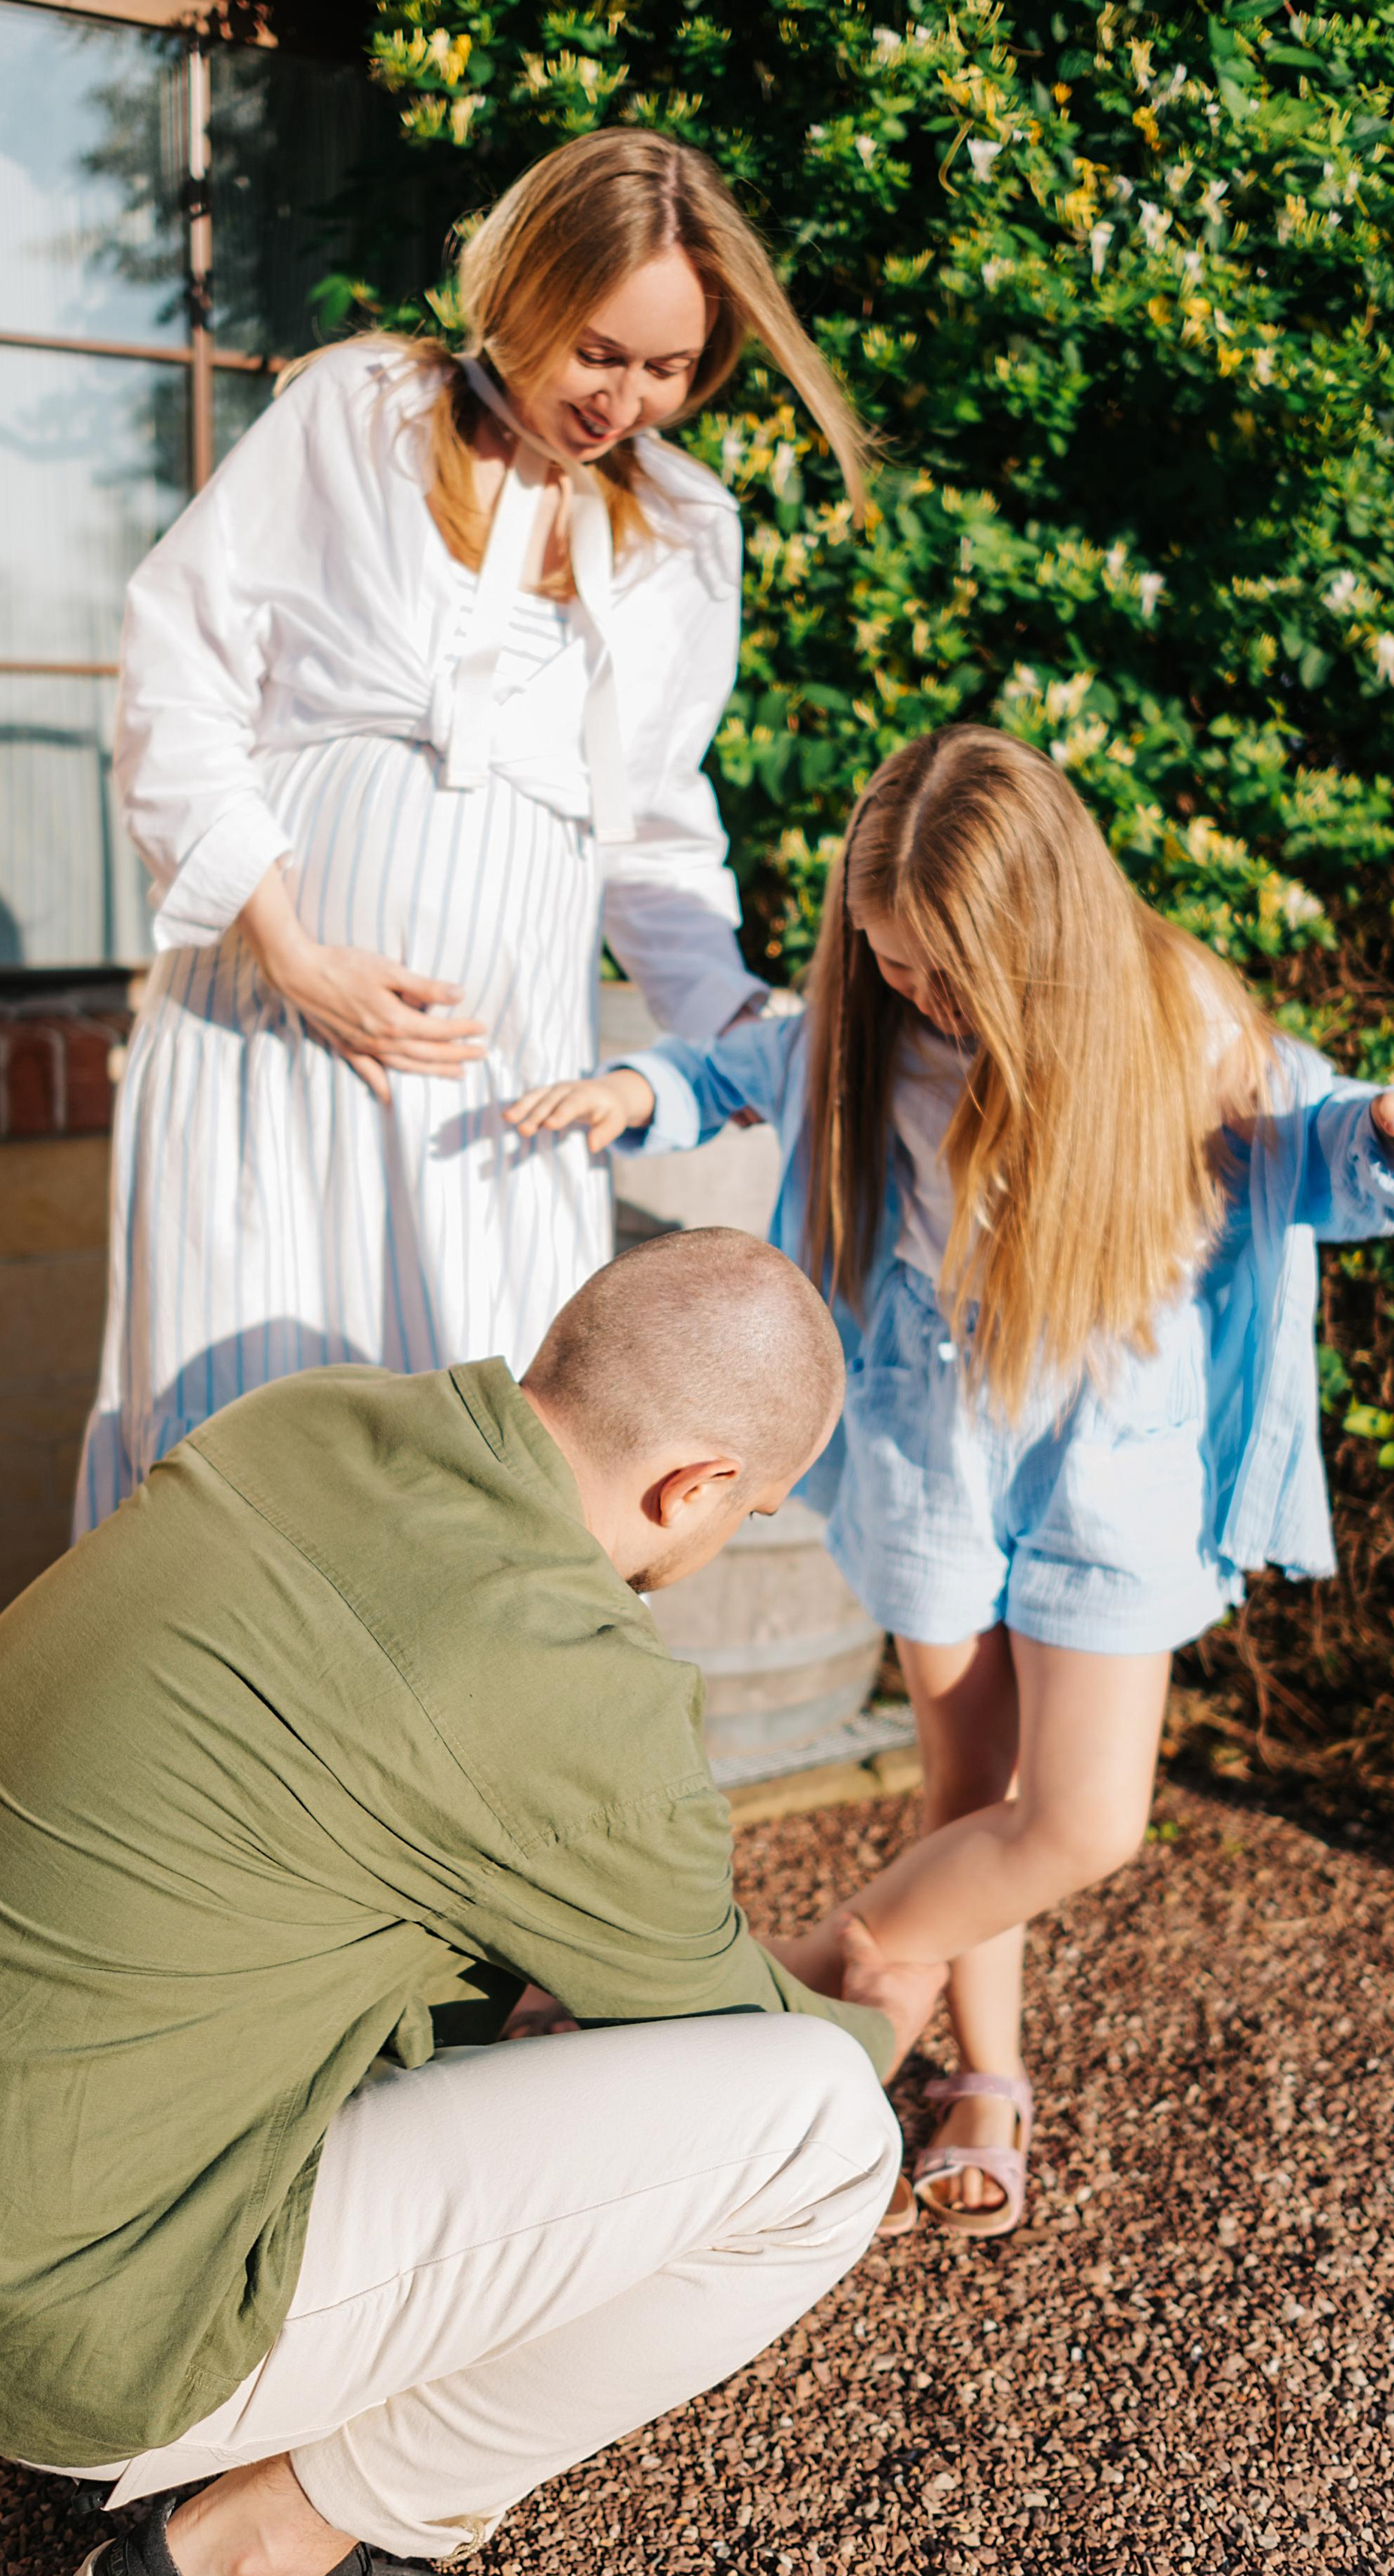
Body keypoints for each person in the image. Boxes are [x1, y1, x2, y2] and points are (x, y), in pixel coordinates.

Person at [0, 1229, 943, 2576]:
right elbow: (741, 2042)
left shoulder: (308, 1418)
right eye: (752, 1510)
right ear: (696, 1487)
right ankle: (245, 2566)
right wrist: (872, 2012)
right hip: (54, 2327)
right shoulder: (567, 1671)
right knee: (824, 2139)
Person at [507, 724, 1394, 2239]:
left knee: (1078, 1817)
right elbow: (737, 1061)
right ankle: (985, 2077)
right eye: (893, 961)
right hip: (935, 1443)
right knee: (966, 1792)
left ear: (1037, 930)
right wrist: (641, 1095)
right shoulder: (872, 1024)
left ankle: (817, 1975)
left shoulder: (1178, 1017)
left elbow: (1312, 1147)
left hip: (1111, 1461)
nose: (917, 997)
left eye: (945, 971)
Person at [74, 126, 870, 1532]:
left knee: (484, 1467)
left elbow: (660, 828)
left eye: (668, 368)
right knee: (246, 1454)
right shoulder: (361, 416)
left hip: (502, 1096)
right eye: (598, 351)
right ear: (526, 293)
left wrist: (744, 1030)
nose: (625, 398)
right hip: (274, 1042)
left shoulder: (685, 531)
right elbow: (177, 669)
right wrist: (293, 949)